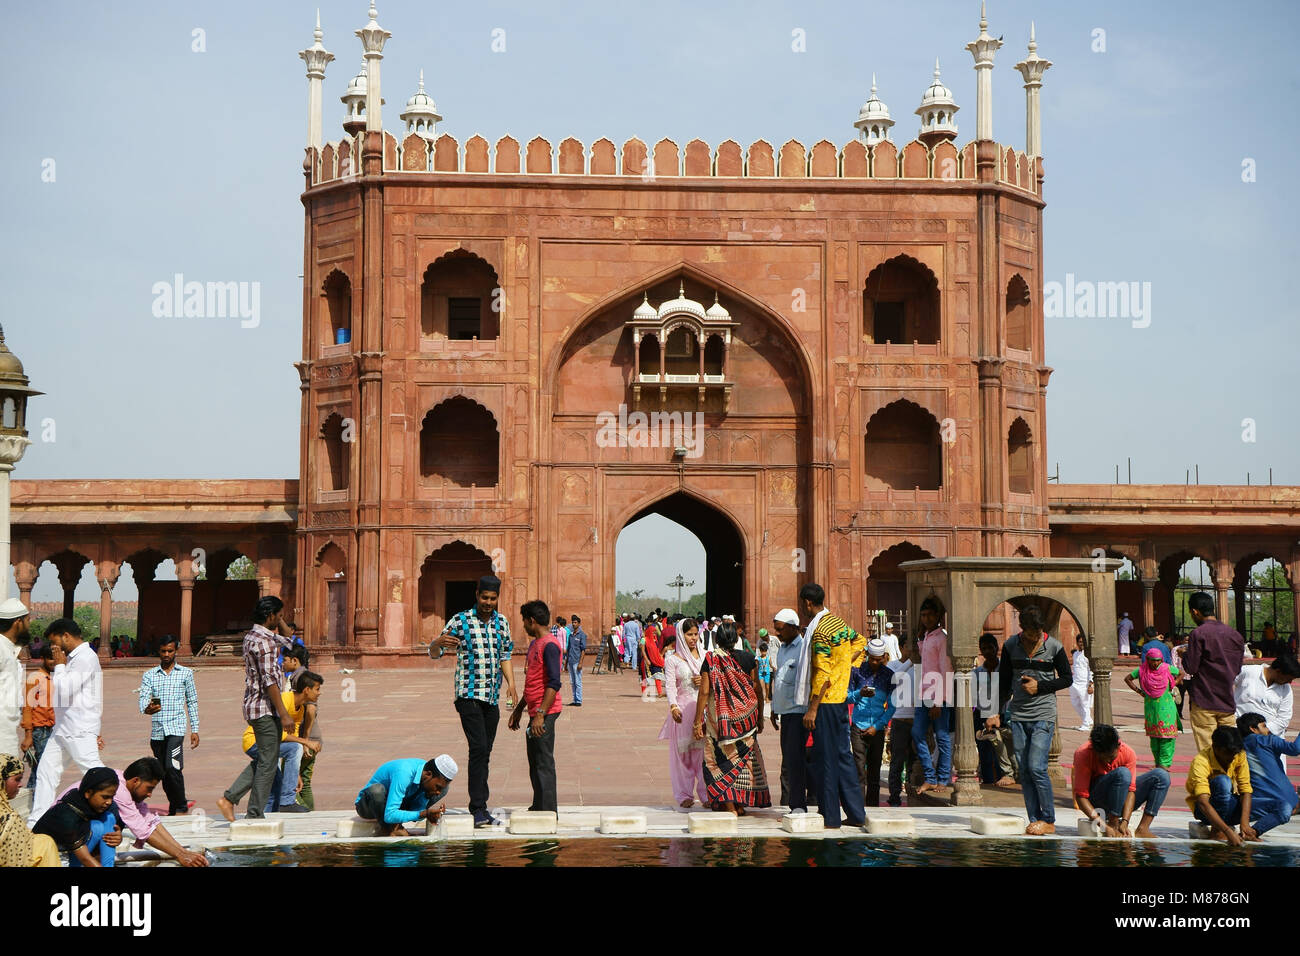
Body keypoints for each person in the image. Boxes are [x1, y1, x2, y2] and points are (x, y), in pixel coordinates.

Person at [431, 575, 518, 828]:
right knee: (478, 748)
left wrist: (511, 684)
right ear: (476, 595)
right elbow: (435, 652)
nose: (488, 602)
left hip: (491, 696)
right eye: (484, 597)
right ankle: (478, 808)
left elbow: (505, 655)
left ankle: (481, 807)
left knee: (485, 752)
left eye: (492, 599)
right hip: (468, 694)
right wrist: (436, 643)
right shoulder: (460, 620)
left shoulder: (502, 623)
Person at [216, 596, 300, 822]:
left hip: (255, 706)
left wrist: (278, 617)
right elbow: (270, 681)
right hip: (264, 707)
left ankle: (230, 799)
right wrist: (284, 713)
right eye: (279, 615)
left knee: (266, 759)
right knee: (268, 762)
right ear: (270, 616)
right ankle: (252, 812)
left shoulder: (254, 636)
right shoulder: (265, 643)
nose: (282, 620)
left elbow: (292, 640)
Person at [989, 604, 1072, 836]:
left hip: (1043, 715)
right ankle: (1034, 819)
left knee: (1036, 767)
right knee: (1024, 770)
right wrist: (996, 713)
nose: (1034, 638)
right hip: (1018, 715)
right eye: (1030, 634)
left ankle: (1049, 819)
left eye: (1038, 634)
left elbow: (1067, 679)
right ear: (1022, 629)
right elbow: (1004, 683)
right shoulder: (1010, 646)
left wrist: (1041, 686)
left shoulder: (1054, 647)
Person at [799, 583, 866, 829]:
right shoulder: (837, 623)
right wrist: (844, 668)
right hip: (839, 699)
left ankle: (831, 816)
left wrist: (813, 708)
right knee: (844, 756)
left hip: (825, 701)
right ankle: (857, 814)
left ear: (807, 602)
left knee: (825, 759)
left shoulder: (820, 632)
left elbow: (821, 674)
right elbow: (861, 643)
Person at [58, 756, 207, 866]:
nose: (150, 794)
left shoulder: (127, 784)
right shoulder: (119, 791)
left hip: (83, 830)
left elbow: (151, 822)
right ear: (136, 781)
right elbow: (143, 832)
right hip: (63, 834)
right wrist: (179, 855)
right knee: (113, 814)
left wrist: (183, 852)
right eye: (149, 788)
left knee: (111, 820)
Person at [28, 619, 105, 827]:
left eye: (54, 642)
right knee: (46, 773)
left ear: (66, 637)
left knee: (97, 775)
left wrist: (60, 665)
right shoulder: (73, 658)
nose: (53, 648)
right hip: (63, 728)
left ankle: (121, 812)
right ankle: (36, 823)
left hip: (79, 728)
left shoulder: (85, 658)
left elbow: (63, 690)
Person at [693, 621, 771, 814]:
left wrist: (697, 722)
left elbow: (704, 692)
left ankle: (729, 804)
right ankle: (739, 803)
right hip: (747, 718)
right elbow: (756, 689)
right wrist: (760, 717)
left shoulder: (711, 659)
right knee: (743, 762)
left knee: (717, 761)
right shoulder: (748, 658)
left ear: (717, 640)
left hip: (721, 720)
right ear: (736, 639)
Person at [238, 670, 323, 813]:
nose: (320, 693)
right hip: (255, 741)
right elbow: (277, 733)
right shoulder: (285, 700)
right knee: (295, 747)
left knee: (275, 784)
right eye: (317, 689)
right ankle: (287, 801)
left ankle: (268, 815)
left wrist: (296, 775)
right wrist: (306, 742)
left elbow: (290, 735)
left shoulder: (300, 709)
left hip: (270, 744)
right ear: (307, 690)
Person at [508, 600, 563, 813]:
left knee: (544, 762)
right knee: (535, 761)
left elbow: (554, 683)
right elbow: (533, 681)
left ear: (532, 621)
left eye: (524, 621)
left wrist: (540, 714)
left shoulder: (550, 645)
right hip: (534, 710)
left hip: (545, 712)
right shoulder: (535, 645)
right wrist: (520, 708)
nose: (523, 626)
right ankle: (539, 805)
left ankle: (548, 812)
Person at [1072, 724, 1169, 839]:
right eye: (1103, 758)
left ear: (1118, 746)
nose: (1108, 761)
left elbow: (1131, 791)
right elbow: (1081, 797)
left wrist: (1125, 822)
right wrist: (1104, 826)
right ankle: (1113, 821)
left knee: (1161, 776)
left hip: (1122, 801)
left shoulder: (1128, 753)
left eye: (1111, 757)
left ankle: (1143, 829)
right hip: (1098, 804)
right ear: (1095, 750)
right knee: (1122, 773)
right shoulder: (1083, 753)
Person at [138, 634, 200, 815]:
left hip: (176, 729)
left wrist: (194, 729)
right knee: (164, 772)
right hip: (157, 732)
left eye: (170, 651)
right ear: (158, 651)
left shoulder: (186, 674)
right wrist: (147, 708)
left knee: (173, 767)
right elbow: (143, 699)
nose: (166, 654)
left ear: (176, 650)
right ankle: (175, 805)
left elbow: (192, 701)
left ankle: (180, 805)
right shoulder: (149, 675)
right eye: (163, 651)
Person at [1183, 591, 1246, 752]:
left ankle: (1215, 777)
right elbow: (1237, 669)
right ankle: (1228, 777)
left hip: (1204, 700)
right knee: (1231, 749)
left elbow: (1191, 667)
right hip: (1226, 701)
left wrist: (1184, 655)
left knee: (1208, 751)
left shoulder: (1199, 633)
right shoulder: (1235, 636)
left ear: (1195, 612)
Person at [659, 619, 708, 809]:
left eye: (696, 634)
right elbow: (670, 685)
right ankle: (684, 794)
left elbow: (713, 680)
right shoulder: (673, 660)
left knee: (704, 753)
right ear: (681, 635)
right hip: (683, 710)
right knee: (684, 754)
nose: (693, 638)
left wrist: (703, 681)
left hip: (702, 710)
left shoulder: (705, 656)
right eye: (689, 635)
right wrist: (673, 706)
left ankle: (706, 794)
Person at [32, 766, 121, 867]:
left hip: (75, 854)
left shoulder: (94, 807)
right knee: (96, 826)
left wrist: (117, 838)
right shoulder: (67, 814)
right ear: (88, 793)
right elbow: (85, 858)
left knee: (108, 818)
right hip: (51, 858)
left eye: (112, 797)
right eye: (105, 797)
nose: (109, 802)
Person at [769, 609, 813, 813]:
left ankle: (800, 804)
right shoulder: (783, 648)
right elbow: (779, 679)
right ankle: (792, 803)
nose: (777, 633)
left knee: (796, 760)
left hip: (798, 711)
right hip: (785, 712)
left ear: (793, 627)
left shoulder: (804, 648)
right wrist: (774, 709)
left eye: (780, 629)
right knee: (789, 759)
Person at [1186, 726, 1256, 846]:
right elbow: (1203, 802)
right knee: (1223, 782)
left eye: (1234, 754)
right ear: (1215, 748)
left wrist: (1244, 824)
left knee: (1279, 805)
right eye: (1227, 753)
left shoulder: (1239, 754)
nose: (1232, 757)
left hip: (1229, 804)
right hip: (1205, 811)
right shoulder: (1200, 761)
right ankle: (1217, 830)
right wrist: (1227, 831)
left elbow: (1245, 790)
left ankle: (1248, 833)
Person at [356, 755, 458, 837]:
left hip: (399, 804)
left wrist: (426, 801)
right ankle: (389, 829)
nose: (438, 792)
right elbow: (389, 815)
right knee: (376, 791)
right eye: (437, 787)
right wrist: (424, 813)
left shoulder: (426, 777)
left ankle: (395, 827)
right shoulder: (404, 773)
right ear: (428, 774)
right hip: (369, 806)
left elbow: (416, 814)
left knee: (444, 790)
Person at [912, 596, 953, 796]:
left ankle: (943, 778)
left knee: (942, 738)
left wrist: (939, 701)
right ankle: (930, 776)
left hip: (938, 696)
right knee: (917, 733)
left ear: (938, 616)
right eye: (923, 615)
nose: (926, 618)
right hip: (924, 693)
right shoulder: (927, 637)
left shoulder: (941, 638)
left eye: (929, 615)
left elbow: (945, 671)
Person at [847, 638, 895, 807]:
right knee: (859, 770)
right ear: (866, 655)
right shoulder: (857, 671)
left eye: (879, 659)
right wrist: (859, 694)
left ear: (884, 657)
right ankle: (858, 808)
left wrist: (878, 726)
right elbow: (846, 697)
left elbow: (892, 706)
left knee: (874, 772)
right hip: (858, 726)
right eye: (872, 659)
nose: (875, 662)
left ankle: (873, 808)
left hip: (877, 728)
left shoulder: (889, 676)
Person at [1236, 712, 1300, 835]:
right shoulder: (1268, 740)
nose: (1268, 730)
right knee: (1287, 807)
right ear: (1253, 729)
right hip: (1285, 802)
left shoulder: (1238, 747)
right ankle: (1253, 832)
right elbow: (1295, 749)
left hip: (1254, 803)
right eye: (1264, 726)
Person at [1124, 647, 1181, 770]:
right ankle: (1157, 762)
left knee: (1167, 737)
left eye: (1158, 660)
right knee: (1154, 738)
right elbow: (1127, 679)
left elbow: (1181, 673)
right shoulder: (1142, 670)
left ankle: (1165, 763)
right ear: (1147, 659)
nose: (1155, 663)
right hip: (1151, 709)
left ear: (1161, 660)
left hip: (1167, 709)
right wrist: (1139, 691)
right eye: (1152, 660)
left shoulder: (1167, 668)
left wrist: (1174, 683)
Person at [0, 754, 60, 867]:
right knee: (45, 844)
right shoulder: (7, 818)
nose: (21, 785)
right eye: (17, 779)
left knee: (42, 841)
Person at [973, 633, 1016, 786]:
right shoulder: (978, 673)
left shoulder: (1003, 670)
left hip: (1000, 714)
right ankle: (988, 781)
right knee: (984, 750)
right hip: (982, 714)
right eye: (984, 648)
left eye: (990, 647)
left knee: (1001, 749)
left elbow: (1009, 691)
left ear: (996, 648)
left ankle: (1003, 777)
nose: (987, 651)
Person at [1233, 651, 1299, 739]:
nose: (1290, 682)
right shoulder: (1248, 671)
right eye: (1289, 679)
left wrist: (1263, 732)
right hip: (1239, 732)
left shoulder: (1286, 689)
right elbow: (1226, 682)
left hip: (1268, 738)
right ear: (1278, 671)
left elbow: (1284, 718)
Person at [0, 598, 32, 767]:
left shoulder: (8, 649)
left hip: (8, 729)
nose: (29, 624)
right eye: (27, 620)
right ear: (18, 622)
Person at [21, 643, 56, 789]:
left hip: (52, 727)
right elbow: (28, 707)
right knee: (43, 766)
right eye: (50, 659)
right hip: (39, 729)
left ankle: (33, 795)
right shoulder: (35, 678)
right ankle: (33, 794)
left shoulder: (52, 678)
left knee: (42, 766)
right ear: (42, 658)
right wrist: (28, 735)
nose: (54, 663)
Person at [294, 668, 324, 810]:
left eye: (285, 659)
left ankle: (304, 812)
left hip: (307, 741)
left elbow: (311, 710)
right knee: (304, 780)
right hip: (313, 740)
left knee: (293, 780)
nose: (319, 693)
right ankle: (309, 812)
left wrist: (305, 740)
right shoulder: (301, 676)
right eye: (317, 689)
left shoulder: (300, 678)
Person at [1069, 635, 1093, 732]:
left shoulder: (1089, 655)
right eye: (1079, 641)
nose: (1081, 643)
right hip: (1074, 682)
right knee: (1075, 703)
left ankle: (1086, 724)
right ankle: (1088, 720)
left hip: (1084, 684)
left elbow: (1091, 670)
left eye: (1083, 641)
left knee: (1085, 704)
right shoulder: (1075, 654)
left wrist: (1090, 684)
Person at [566, 614, 587, 707]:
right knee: (572, 682)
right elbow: (569, 648)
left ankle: (578, 700)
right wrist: (566, 662)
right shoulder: (570, 635)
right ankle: (574, 699)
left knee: (578, 681)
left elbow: (583, 650)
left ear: (579, 624)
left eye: (575, 622)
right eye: (573, 622)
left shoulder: (582, 635)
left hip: (577, 661)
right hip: (570, 661)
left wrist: (580, 662)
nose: (574, 624)